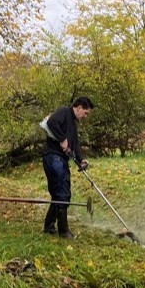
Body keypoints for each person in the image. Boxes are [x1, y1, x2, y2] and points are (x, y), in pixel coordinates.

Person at [40, 96, 94, 238]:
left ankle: (49, 226)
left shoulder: (73, 124)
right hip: (52, 157)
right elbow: (52, 122)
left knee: (58, 194)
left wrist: (81, 160)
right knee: (63, 192)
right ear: (79, 107)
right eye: (86, 113)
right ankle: (63, 232)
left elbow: (74, 145)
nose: (85, 116)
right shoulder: (64, 112)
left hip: (60, 159)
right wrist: (62, 139)